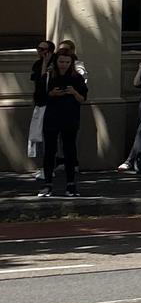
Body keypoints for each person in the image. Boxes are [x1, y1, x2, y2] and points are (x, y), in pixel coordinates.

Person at [35, 49, 88, 197]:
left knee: (69, 151)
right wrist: (51, 94)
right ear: (56, 62)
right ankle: (47, 184)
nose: (64, 65)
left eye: (67, 62)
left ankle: (71, 184)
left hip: (70, 118)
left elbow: (83, 99)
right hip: (52, 117)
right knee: (49, 151)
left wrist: (74, 92)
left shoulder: (76, 78)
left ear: (71, 63)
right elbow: (38, 99)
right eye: (61, 62)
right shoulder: (48, 77)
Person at [28, 39, 55, 181]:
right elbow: (37, 82)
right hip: (40, 103)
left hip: (51, 104)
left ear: (50, 51)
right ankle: (42, 167)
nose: (40, 52)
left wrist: (47, 63)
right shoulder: (37, 64)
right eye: (38, 49)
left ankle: (49, 168)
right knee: (38, 137)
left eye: (42, 49)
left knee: (48, 138)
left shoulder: (55, 64)